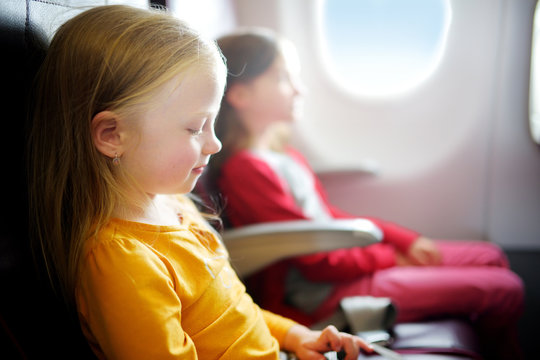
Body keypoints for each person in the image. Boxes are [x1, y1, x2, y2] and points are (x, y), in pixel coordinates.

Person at [27, 6, 374, 360]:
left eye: (213, 123)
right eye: (195, 128)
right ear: (112, 135)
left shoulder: (173, 203)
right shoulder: (121, 260)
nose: (215, 143)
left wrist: (297, 336)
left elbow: (233, 311)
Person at [205, 28, 525, 359]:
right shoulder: (246, 170)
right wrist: (390, 257)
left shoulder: (283, 155)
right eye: (283, 78)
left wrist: (401, 239)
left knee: (491, 256)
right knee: (506, 290)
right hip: (323, 291)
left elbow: (328, 218)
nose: (299, 89)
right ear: (241, 95)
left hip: (345, 268)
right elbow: (316, 260)